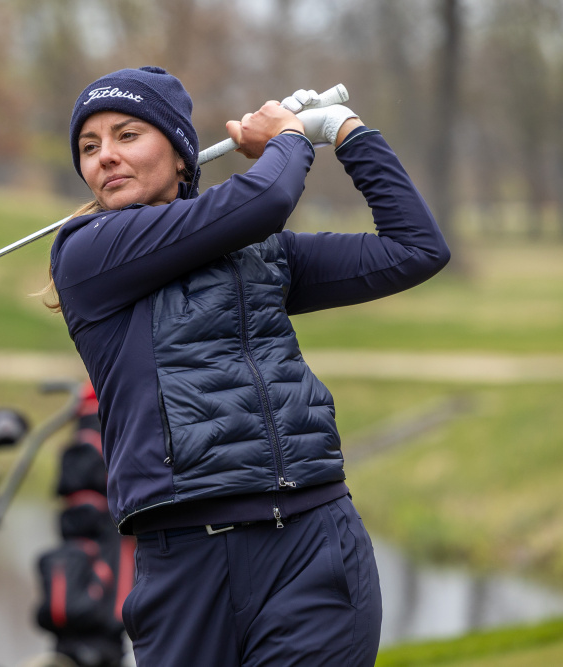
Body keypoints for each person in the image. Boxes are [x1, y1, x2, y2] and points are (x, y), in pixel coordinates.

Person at [46, 66, 450, 666]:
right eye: (89, 145)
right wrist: (288, 139)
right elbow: (266, 197)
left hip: (314, 542)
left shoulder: (258, 252)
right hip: (187, 564)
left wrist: (348, 133)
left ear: (182, 154)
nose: (105, 157)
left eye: (127, 135)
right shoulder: (86, 252)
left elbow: (416, 248)